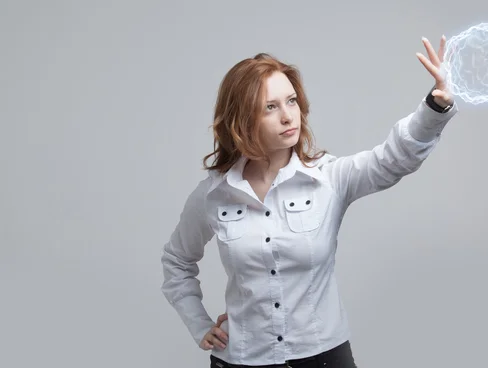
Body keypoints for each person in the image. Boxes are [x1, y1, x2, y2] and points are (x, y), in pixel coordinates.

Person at [161, 36, 458, 367]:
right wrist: (198, 324)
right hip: (242, 360)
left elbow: (393, 159)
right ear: (242, 120)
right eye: (270, 107)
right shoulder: (213, 195)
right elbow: (177, 261)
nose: (288, 116)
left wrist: (435, 106)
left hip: (324, 358)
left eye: (291, 101)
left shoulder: (329, 178)